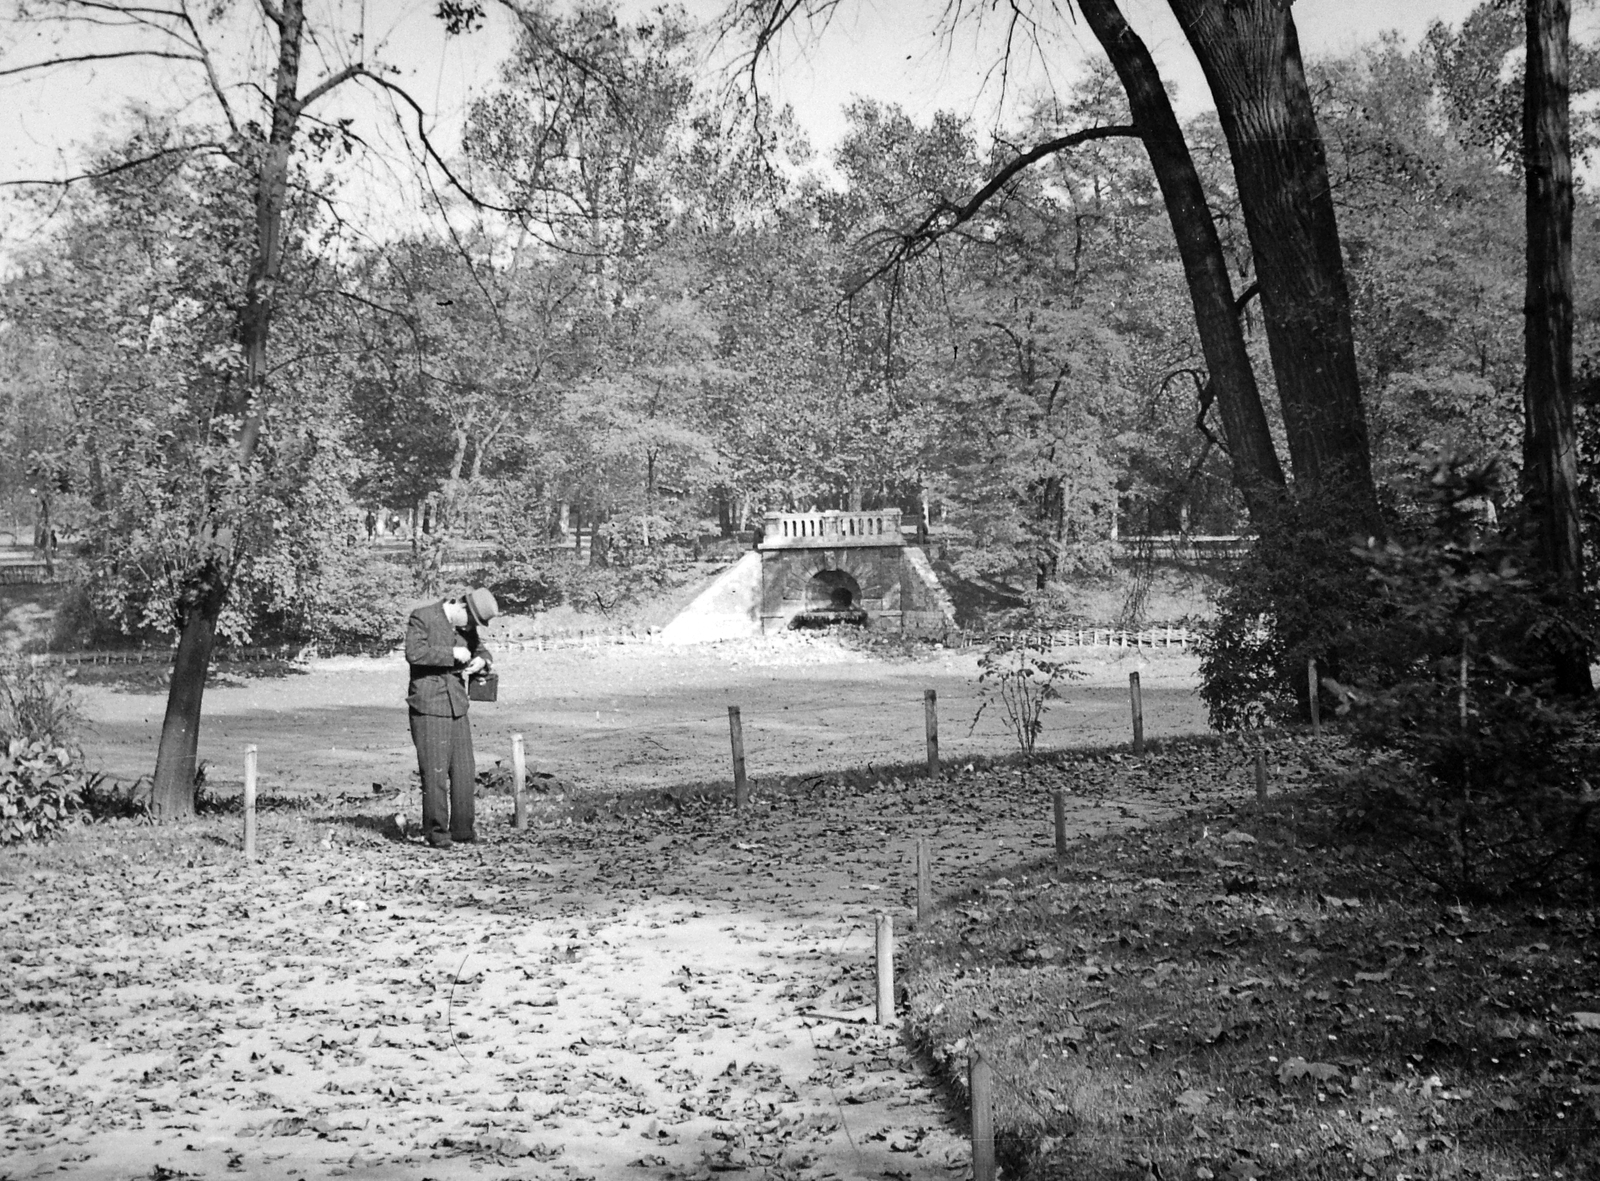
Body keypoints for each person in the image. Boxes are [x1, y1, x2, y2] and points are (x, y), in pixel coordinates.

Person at [405, 587, 497, 849]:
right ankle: (436, 834)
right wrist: (451, 654)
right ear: (460, 606)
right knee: (435, 774)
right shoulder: (422, 617)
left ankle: (463, 831)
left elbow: (481, 650)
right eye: (472, 621)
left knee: (464, 771)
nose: (471, 628)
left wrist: (482, 662)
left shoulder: (465, 625)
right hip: (429, 705)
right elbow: (414, 653)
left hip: (457, 705)